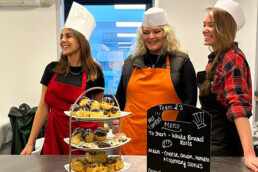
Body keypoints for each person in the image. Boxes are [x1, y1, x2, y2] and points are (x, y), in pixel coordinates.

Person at [20, 2, 104, 155]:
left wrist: (101, 141)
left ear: (81, 40)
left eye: (68, 36)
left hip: (83, 139)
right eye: (61, 36)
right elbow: (43, 107)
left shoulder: (94, 72)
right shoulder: (52, 69)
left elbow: (97, 113)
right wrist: (30, 143)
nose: (63, 40)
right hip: (55, 135)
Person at [114, 7, 197, 155]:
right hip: (131, 139)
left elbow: (190, 102)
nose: (151, 37)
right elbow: (119, 98)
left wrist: (174, 131)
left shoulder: (180, 61)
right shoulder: (130, 63)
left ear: (166, 33)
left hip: (167, 140)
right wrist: (114, 122)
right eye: (146, 33)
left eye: (156, 31)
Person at [197, 0, 258, 171]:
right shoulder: (214, 60)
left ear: (224, 28)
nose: (204, 29)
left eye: (211, 25)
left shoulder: (233, 58)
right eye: (204, 24)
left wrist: (249, 154)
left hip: (225, 150)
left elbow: (238, 106)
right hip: (211, 143)